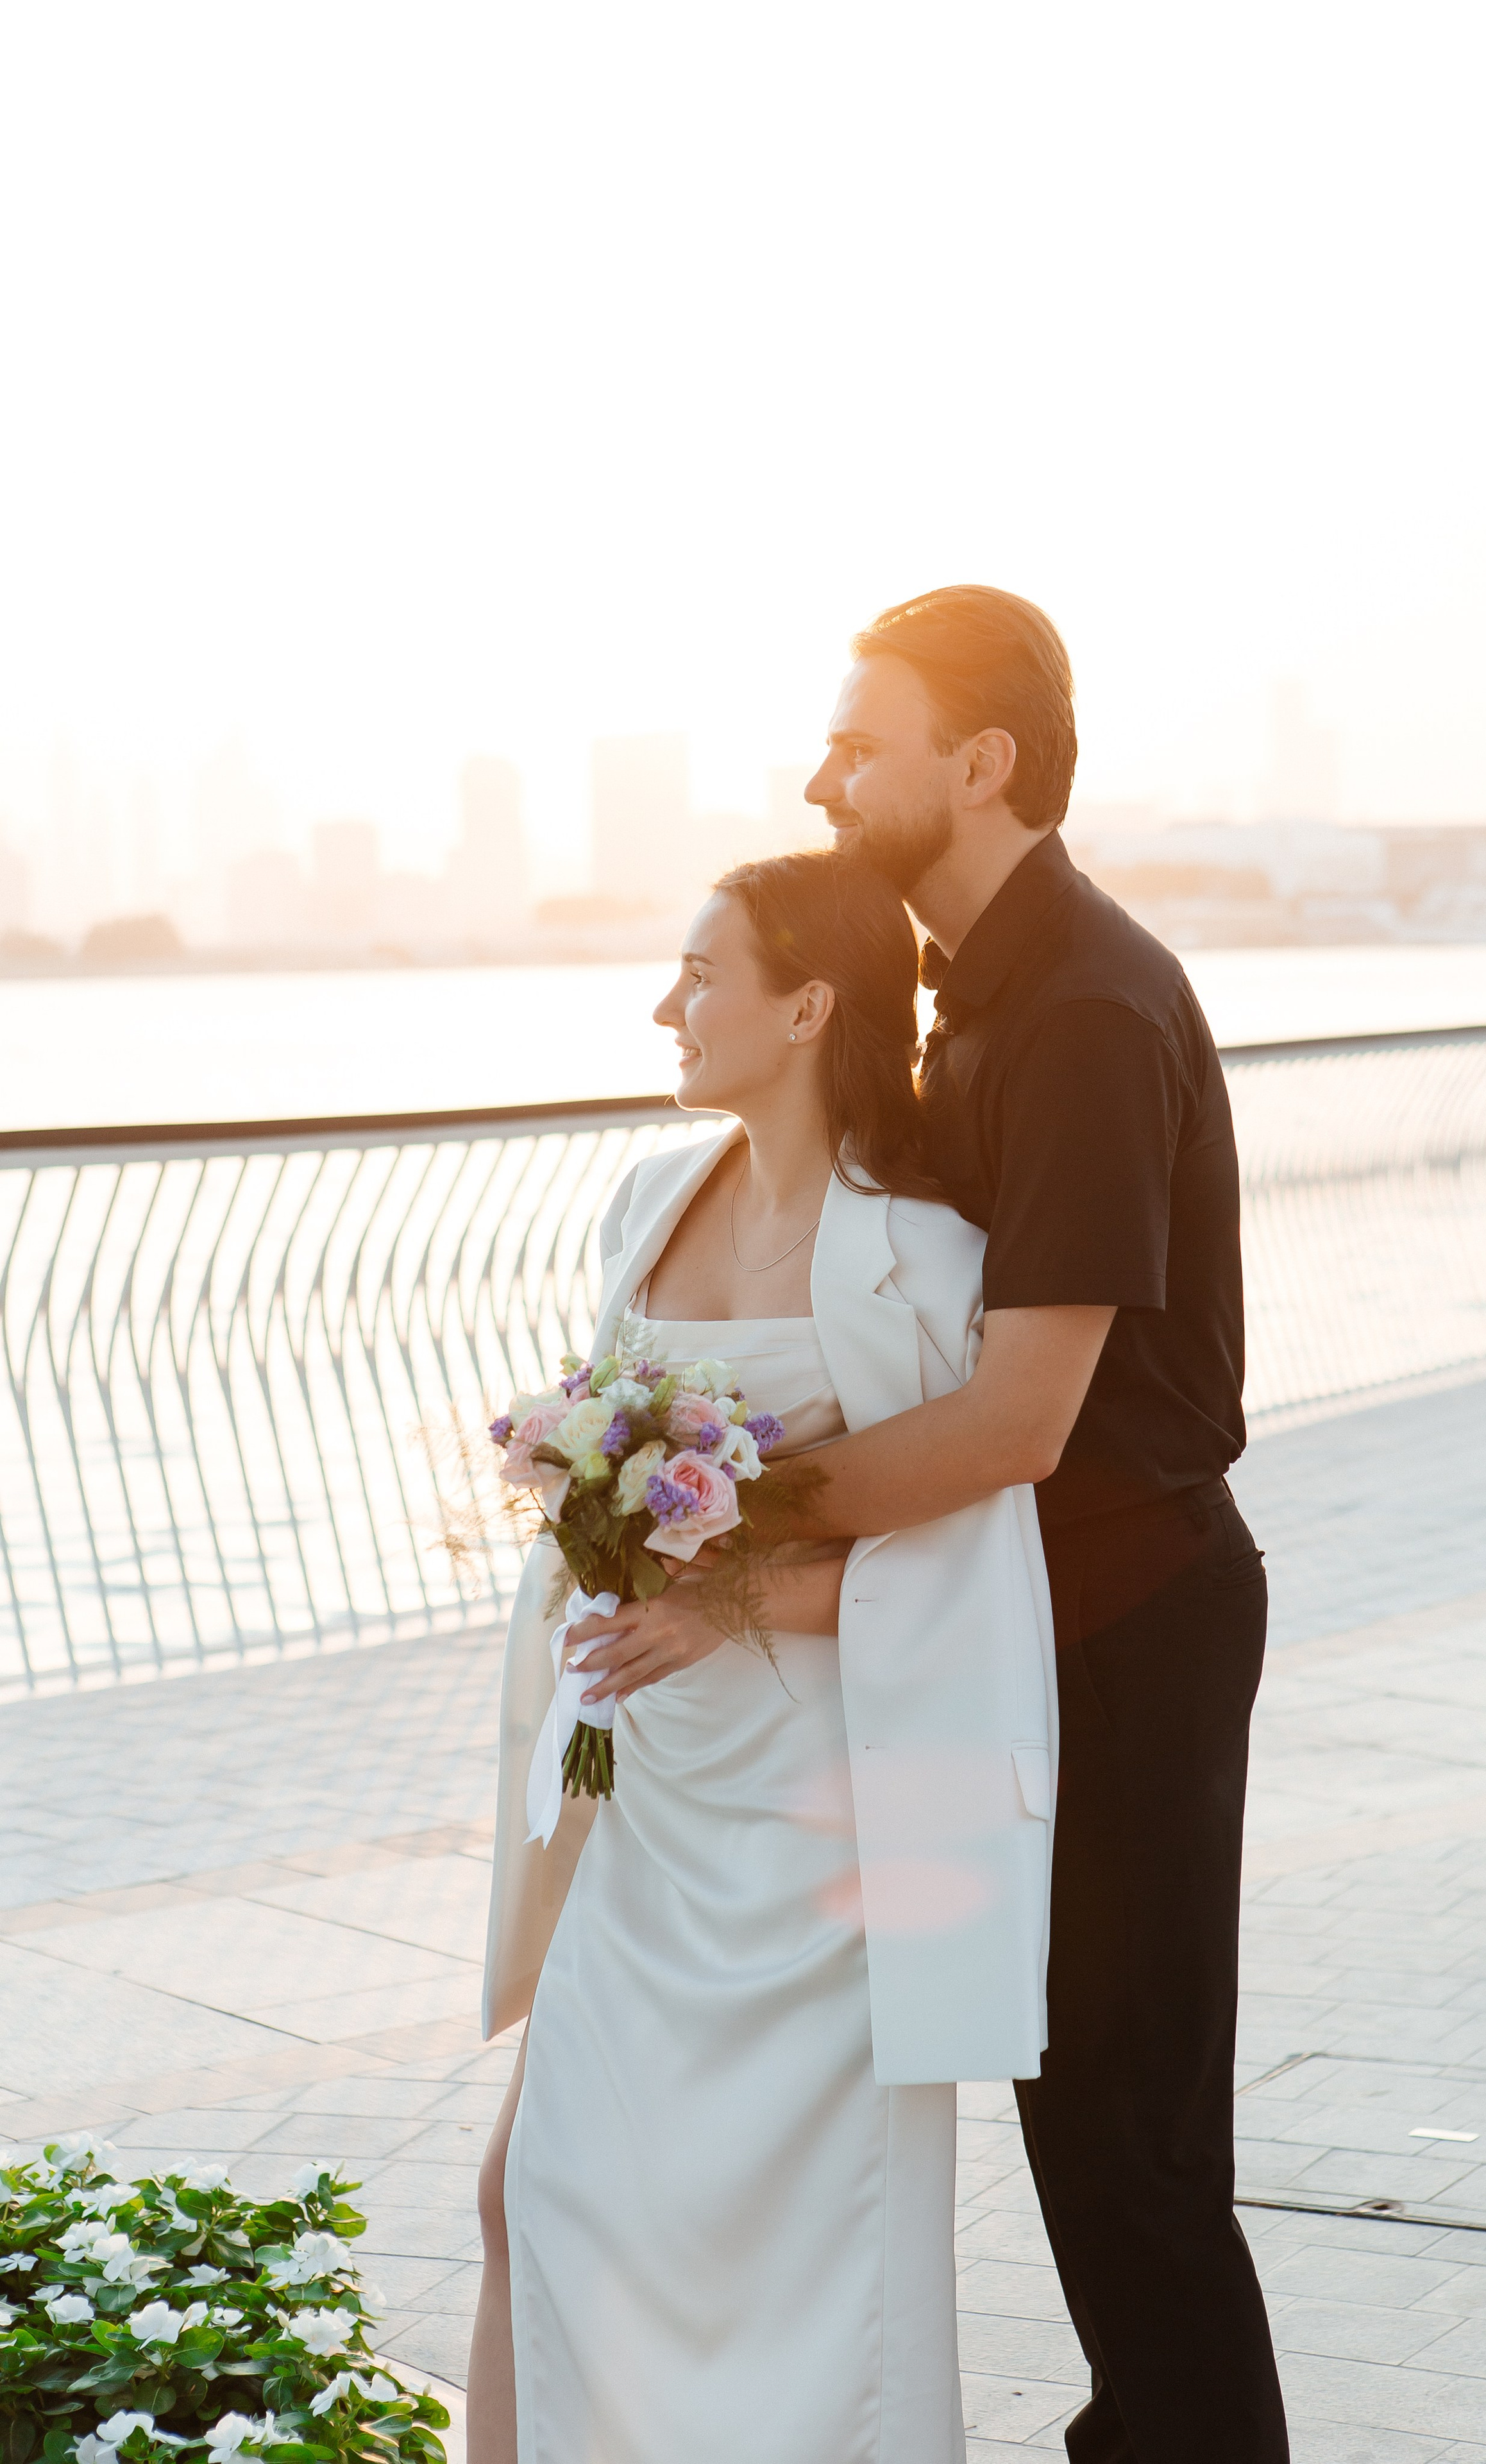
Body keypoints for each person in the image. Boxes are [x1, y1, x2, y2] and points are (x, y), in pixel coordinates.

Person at [580, 588, 1290, 2462]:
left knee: (1132, 2150)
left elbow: (1013, 1418)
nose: (825, 777)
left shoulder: (1076, 1007)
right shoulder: (964, 1001)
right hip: (1025, 1616)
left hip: (1130, 1622)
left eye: (859, 743)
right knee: (1085, 2134)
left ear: (977, 765)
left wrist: (713, 1516)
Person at [469, 848, 1058, 2464]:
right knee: (532, 2193)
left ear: (806, 1005)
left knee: (804, 2266)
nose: (667, 1004)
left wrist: (726, 1600)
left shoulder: (921, 1253)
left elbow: (956, 1557)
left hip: (824, 1828)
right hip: (646, 1797)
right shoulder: (644, 1202)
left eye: (700, 973)